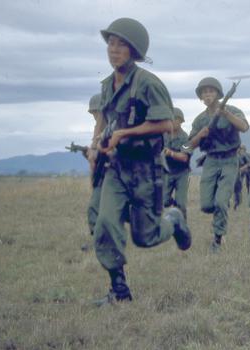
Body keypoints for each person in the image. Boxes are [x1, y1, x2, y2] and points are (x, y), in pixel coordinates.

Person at [90, 17, 191, 306]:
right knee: (106, 223)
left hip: (146, 169)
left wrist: (124, 133)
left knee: (145, 237)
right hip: (117, 168)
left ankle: (174, 219)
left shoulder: (149, 83)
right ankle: (120, 292)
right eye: (110, 43)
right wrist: (100, 143)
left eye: (121, 44)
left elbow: (166, 125)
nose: (114, 49)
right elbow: (108, 121)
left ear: (133, 51)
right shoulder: (107, 86)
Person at [188, 77, 249, 252]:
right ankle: (220, 208)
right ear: (201, 96)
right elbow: (186, 145)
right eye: (204, 92)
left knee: (221, 202)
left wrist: (225, 114)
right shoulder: (199, 120)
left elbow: (244, 127)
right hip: (211, 161)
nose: (207, 95)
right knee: (207, 205)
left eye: (211, 91)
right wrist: (199, 135)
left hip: (230, 159)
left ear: (218, 94)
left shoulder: (232, 110)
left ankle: (218, 238)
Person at [163, 107, 191, 219]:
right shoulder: (163, 135)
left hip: (181, 173)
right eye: (170, 119)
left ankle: (182, 225)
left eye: (175, 119)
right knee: (163, 201)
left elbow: (184, 157)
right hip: (166, 171)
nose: (172, 121)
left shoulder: (186, 139)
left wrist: (170, 153)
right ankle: (173, 203)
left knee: (181, 204)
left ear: (180, 121)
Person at [86, 93, 103, 235]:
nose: (94, 117)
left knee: (94, 208)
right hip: (103, 174)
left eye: (95, 112)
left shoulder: (115, 129)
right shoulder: (98, 130)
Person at [233, 144, 250, 210]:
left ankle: (237, 203)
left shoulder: (243, 156)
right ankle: (236, 202)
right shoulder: (233, 156)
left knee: (238, 188)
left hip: (241, 173)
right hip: (234, 173)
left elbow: (249, 163)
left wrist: (243, 168)